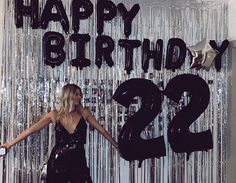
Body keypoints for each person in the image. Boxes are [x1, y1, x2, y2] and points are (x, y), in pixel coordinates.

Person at [0, 84, 119, 183]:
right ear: (68, 95)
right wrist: (10, 144)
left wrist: (117, 146)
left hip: (78, 161)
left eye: (80, 94)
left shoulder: (84, 113)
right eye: (77, 94)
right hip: (58, 161)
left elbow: (102, 131)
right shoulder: (55, 114)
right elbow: (32, 129)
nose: (80, 97)